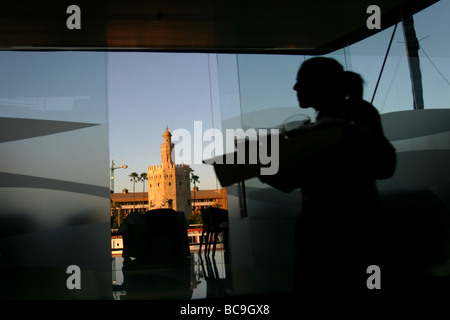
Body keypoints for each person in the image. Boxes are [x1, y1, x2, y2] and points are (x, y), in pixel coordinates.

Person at [259, 57, 396, 297]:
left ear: (322, 84)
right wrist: (262, 167)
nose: (295, 88)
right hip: (319, 238)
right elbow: (294, 181)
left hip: (351, 237)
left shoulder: (357, 115)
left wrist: (345, 135)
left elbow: (386, 165)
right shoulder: (316, 127)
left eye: (301, 82)